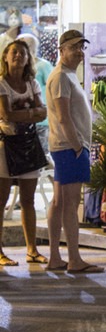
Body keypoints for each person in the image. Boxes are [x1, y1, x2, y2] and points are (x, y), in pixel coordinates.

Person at [45, 29, 103, 273]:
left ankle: (56, 258)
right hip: (69, 147)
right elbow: (63, 117)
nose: (80, 52)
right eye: (74, 47)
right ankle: (74, 259)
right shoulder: (60, 77)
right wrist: (79, 147)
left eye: (82, 47)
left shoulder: (66, 76)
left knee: (59, 203)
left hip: (68, 147)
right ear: (61, 50)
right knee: (70, 203)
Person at [0, 40, 48, 266]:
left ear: (28, 58)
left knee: (29, 199)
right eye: (14, 52)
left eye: (22, 53)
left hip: (28, 143)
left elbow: (44, 113)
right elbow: (6, 115)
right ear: (6, 57)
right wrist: (31, 112)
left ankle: (32, 250)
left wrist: (23, 113)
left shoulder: (32, 83)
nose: (18, 55)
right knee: (1, 200)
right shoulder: (1, 84)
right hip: (5, 145)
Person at [18, 33, 54, 157]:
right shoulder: (18, 68)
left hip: (40, 120)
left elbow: (52, 89)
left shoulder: (43, 66)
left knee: (41, 155)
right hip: (22, 119)